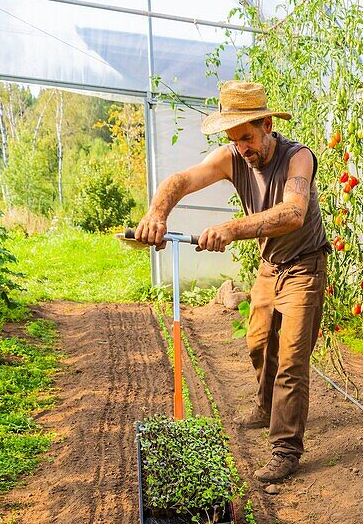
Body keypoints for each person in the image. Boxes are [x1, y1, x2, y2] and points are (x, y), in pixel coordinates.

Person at [135, 80, 330, 483]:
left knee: (292, 360)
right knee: (259, 344)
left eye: (247, 136)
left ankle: (285, 450)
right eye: (234, 138)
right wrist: (157, 213)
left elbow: (293, 213)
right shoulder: (232, 156)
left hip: (305, 266)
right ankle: (265, 406)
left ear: (267, 124)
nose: (242, 147)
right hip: (269, 267)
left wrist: (231, 228)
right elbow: (181, 180)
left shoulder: (299, 159)